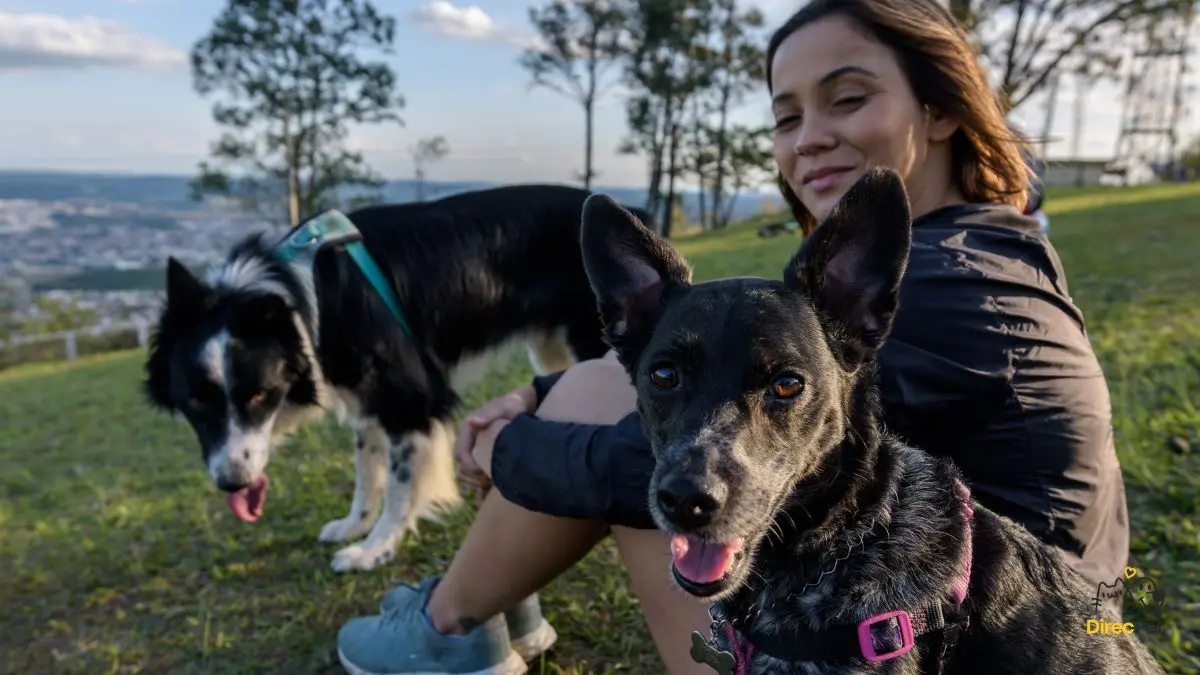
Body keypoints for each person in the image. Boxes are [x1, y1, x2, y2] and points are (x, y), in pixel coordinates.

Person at [335, 1, 1131, 673]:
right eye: (787, 116)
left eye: (847, 99)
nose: (808, 137)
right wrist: (531, 394)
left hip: (995, 623)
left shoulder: (952, 284)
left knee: (634, 438)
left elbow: (644, 470)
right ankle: (473, 613)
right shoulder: (978, 243)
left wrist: (506, 449)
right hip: (975, 580)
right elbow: (706, 367)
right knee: (609, 390)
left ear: (944, 107)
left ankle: (449, 626)